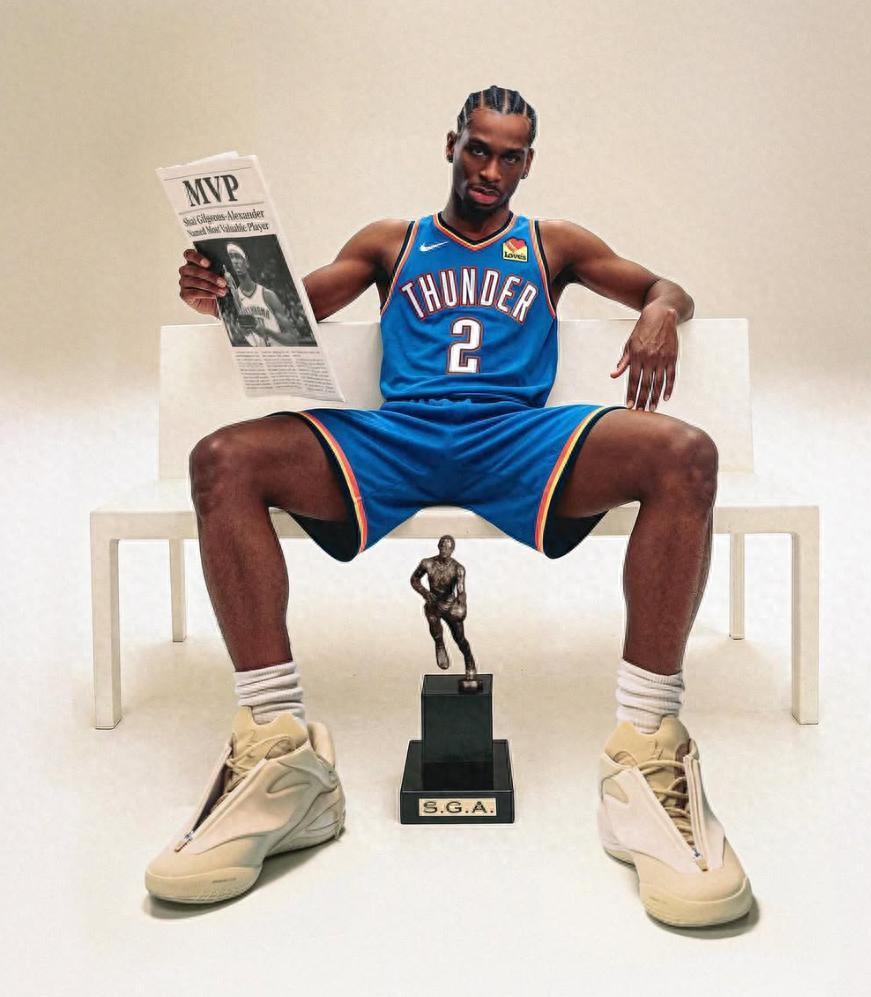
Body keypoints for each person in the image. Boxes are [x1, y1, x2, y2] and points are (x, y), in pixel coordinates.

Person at [148, 85, 753, 927]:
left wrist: (658, 310)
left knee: (683, 453)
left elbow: (663, 284)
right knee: (223, 460)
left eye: (508, 156)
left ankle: (645, 750)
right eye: (477, 148)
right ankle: (279, 754)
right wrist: (220, 293)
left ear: (527, 164)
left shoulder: (551, 243)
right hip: (399, 436)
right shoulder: (391, 241)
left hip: (514, 438)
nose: (489, 169)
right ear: (451, 145)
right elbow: (293, 307)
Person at [410, 535, 476, 679]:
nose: (445, 549)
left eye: (448, 547)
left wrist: (462, 604)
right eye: (443, 546)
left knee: (459, 639)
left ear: (452, 550)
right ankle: (439, 645)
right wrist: (425, 593)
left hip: (450, 605)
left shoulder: (458, 569)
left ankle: (469, 658)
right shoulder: (427, 563)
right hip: (433, 603)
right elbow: (414, 579)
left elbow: (461, 590)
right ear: (438, 546)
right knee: (434, 623)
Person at [223, 241, 301, 346]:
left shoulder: (268, 295)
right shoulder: (236, 297)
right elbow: (244, 338)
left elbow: (293, 341)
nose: (234, 261)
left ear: (247, 263)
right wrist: (242, 332)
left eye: (237, 257)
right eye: (231, 258)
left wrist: (267, 331)